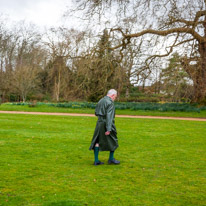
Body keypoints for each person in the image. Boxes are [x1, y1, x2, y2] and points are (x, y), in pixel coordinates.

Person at [89, 89, 120, 165]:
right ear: (112, 95)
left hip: (99, 123)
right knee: (113, 140)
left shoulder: (100, 101)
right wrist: (109, 128)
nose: (114, 99)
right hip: (107, 123)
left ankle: (96, 161)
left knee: (97, 140)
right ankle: (111, 159)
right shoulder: (110, 103)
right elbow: (110, 116)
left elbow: (96, 113)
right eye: (115, 97)